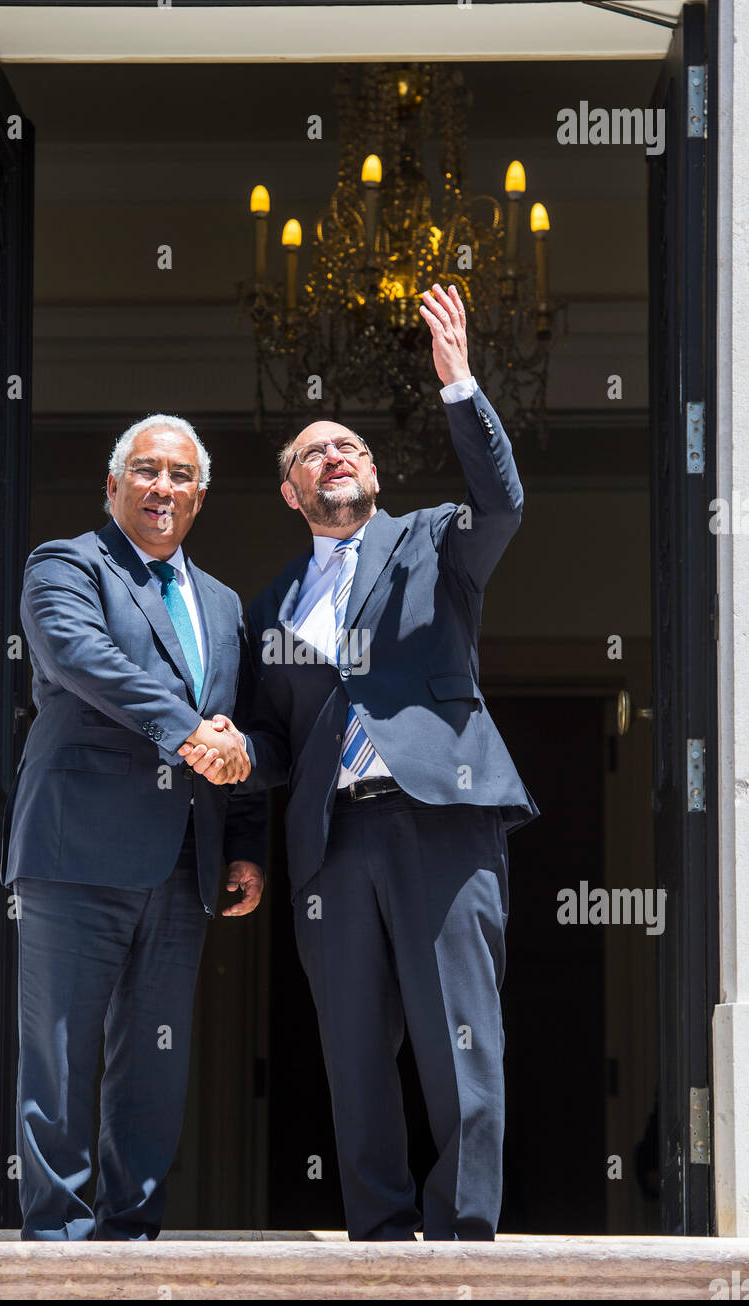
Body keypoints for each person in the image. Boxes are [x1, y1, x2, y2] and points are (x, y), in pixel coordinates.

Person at [180, 284, 539, 1241]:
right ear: (291, 492)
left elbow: (499, 500)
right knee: (349, 1046)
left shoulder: (433, 545)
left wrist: (460, 384)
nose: (334, 454)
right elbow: (272, 742)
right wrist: (236, 792)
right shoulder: (269, 608)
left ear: (374, 473)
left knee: (457, 1034)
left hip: (438, 818)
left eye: (350, 445)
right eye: (311, 452)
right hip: (331, 843)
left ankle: (462, 1230)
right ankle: (378, 1232)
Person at [0, 414, 264, 1240]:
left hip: (184, 862)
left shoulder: (221, 603)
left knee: (153, 1059)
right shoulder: (65, 565)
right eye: (145, 471)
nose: (162, 488)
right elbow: (80, 657)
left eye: (180, 476)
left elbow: (237, 724)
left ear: (200, 496)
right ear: (112, 486)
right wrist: (188, 730)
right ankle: (56, 1236)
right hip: (76, 849)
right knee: (62, 1051)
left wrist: (246, 844)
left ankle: (131, 1231)